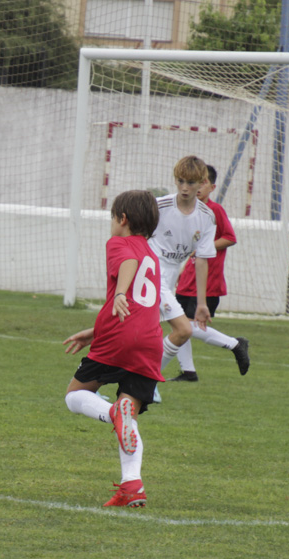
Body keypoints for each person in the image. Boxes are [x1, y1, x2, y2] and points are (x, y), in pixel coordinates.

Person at [62, 190, 162, 508]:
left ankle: (110, 413)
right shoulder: (153, 255)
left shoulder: (120, 244)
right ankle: (132, 486)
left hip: (119, 336)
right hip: (149, 341)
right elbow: (144, 303)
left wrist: (119, 292)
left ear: (122, 219)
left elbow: (127, 265)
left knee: (75, 395)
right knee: (128, 413)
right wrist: (94, 332)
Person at [170, 164, 249, 381]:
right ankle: (188, 371)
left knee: (184, 325)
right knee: (179, 326)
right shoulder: (189, 211)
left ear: (210, 186)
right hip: (188, 280)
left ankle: (234, 343)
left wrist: (205, 248)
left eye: (200, 182)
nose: (194, 187)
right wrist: (183, 268)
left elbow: (230, 238)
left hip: (207, 282)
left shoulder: (214, 210)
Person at [147, 156, 217, 380]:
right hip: (151, 272)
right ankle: (149, 381)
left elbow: (202, 259)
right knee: (183, 330)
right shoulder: (159, 207)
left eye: (191, 182)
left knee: (142, 335)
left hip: (171, 275)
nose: (185, 188)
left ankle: (144, 382)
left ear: (202, 183)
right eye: (181, 181)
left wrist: (202, 303)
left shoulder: (207, 217)